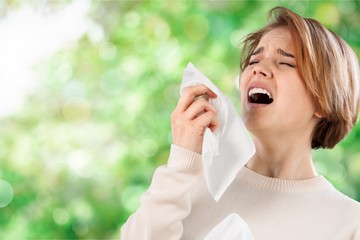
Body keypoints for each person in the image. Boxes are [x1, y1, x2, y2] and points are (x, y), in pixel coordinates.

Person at [121, 6, 360, 240]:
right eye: (254, 61)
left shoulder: (349, 223)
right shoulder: (189, 183)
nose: (259, 70)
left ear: (324, 99)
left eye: (285, 63)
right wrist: (182, 160)